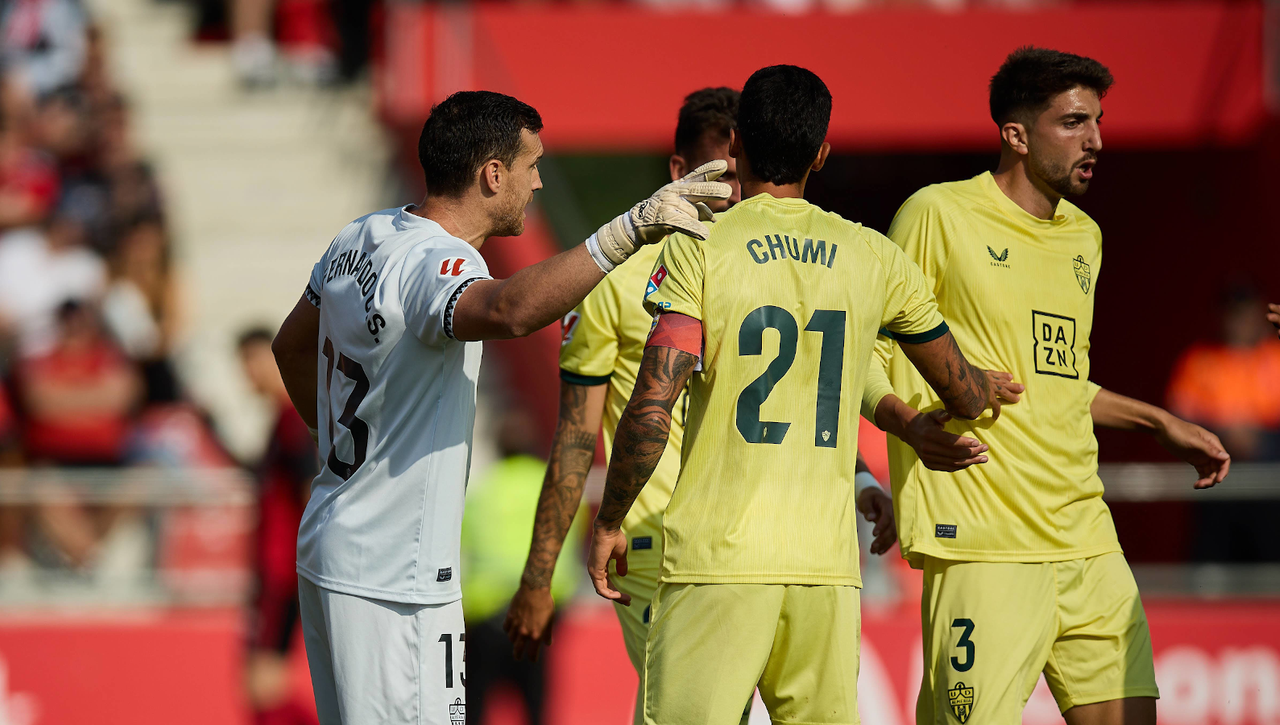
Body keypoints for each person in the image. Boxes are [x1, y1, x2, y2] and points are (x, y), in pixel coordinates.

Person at [269, 89, 730, 725]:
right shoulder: (442, 261)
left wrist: (348, 448)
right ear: (493, 173)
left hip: (330, 542)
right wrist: (628, 231)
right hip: (394, 577)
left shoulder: (363, 233)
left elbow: (289, 345)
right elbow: (509, 310)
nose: (538, 182)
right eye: (531, 164)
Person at [587, 65, 1012, 725]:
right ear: (822, 153)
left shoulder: (699, 245)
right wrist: (978, 392)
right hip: (826, 572)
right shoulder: (873, 256)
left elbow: (652, 402)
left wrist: (611, 518)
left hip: (716, 565)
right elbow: (959, 386)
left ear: (734, 144)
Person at [504, 86, 903, 724]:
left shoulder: (774, 264)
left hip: (761, 550)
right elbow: (576, 437)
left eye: (736, 172)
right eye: (713, 172)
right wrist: (538, 576)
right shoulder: (618, 279)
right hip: (654, 555)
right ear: (677, 171)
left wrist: (858, 475)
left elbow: (797, 394)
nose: (730, 190)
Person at [862, 47, 1231, 725]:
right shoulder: (938, 215)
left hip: (1086, 536)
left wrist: (1158, 422)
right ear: (1016, 133)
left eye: (1097, 121)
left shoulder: (1084, 238)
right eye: (1073, 122)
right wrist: (907, 426)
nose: (1095, 140)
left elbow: (1057, 381)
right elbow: (872, 351)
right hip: (985, 544)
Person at [460, 411, 585, 725]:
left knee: (473, 709)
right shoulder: (558, 491)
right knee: (535, 708)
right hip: (539, 616)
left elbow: (461, 553)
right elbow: (571, 550)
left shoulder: (481, 490)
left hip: (485, 618)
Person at [238, 327, 320, 725]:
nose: (246, 373)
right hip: (276, 567)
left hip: (281, 569)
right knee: (262, 682)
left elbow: (309, 490)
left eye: (251, 361)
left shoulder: (293, 420)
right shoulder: (282, 421)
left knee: (262, 682)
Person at [1166, 283, 1280, 462]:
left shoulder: (1275, 356)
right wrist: (1226, 432)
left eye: (1247, 312)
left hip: (1271, 456)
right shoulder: (1200, 360)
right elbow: (1179, 414)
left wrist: (1255, 435)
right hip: (1214, 452)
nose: (1241, 322)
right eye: (1234, 314)